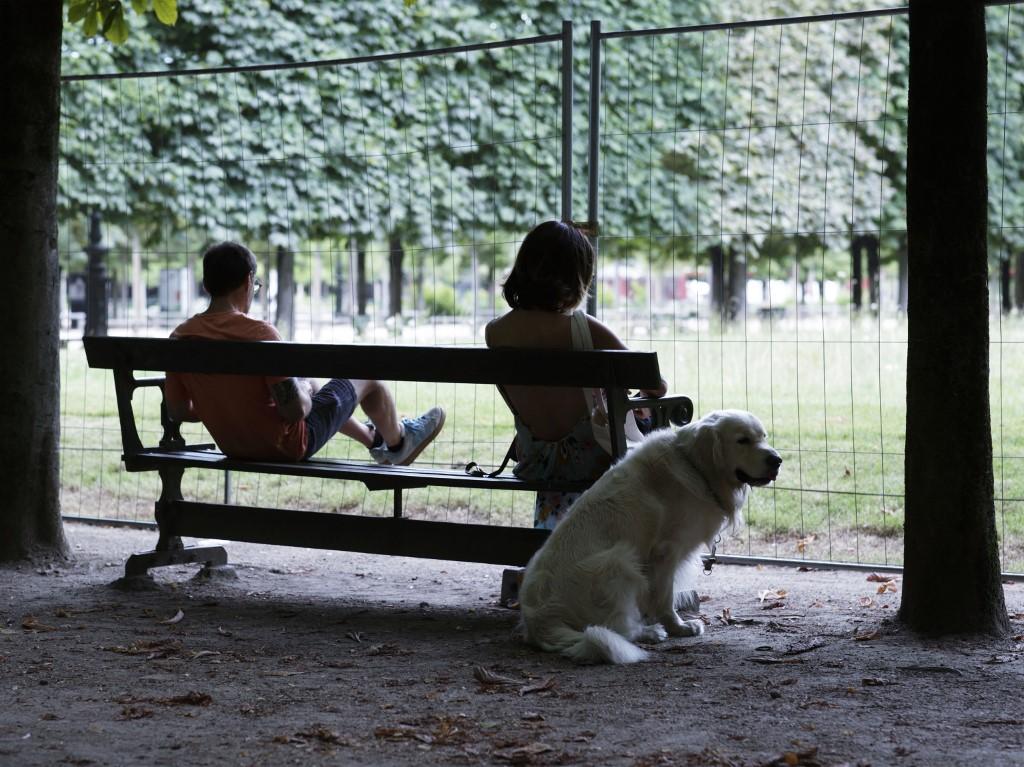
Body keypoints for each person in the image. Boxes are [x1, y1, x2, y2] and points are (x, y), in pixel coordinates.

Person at [165, 241, 445, 465]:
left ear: (206, 286)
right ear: (249, 281)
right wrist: (303, 392)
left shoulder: (180, 336)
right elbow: (295, 410)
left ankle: (375, 441)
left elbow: (178, 410)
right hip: (286, 446)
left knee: (309, 383)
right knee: (366, 372)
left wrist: (224, 406)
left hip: (233, 446)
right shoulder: (260, 335)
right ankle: (399, 443)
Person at [485, 220, 667, 531]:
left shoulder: (496, 332)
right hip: (592, 458)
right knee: (650, 412)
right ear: (577, 277)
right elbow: (656, 385)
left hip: (536, 460)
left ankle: (551, 541)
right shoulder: (586, 329)